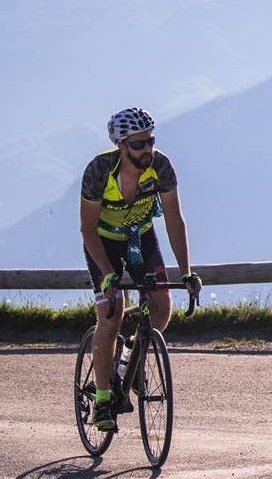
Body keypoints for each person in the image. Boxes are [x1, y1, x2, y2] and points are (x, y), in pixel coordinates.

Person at [80, 107, 201, 432]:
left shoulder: (160, 166)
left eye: (150, 140)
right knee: (111, 312)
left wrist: (186, 271)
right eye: (138, 144)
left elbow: (175, 221)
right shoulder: (99, 171)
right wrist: (107, 274)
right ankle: (103, 398)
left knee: (162, 309)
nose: (147, 149)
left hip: (140, 237)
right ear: (120, 145)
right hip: (104, 245)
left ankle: (129, 364)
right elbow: (88, 230)